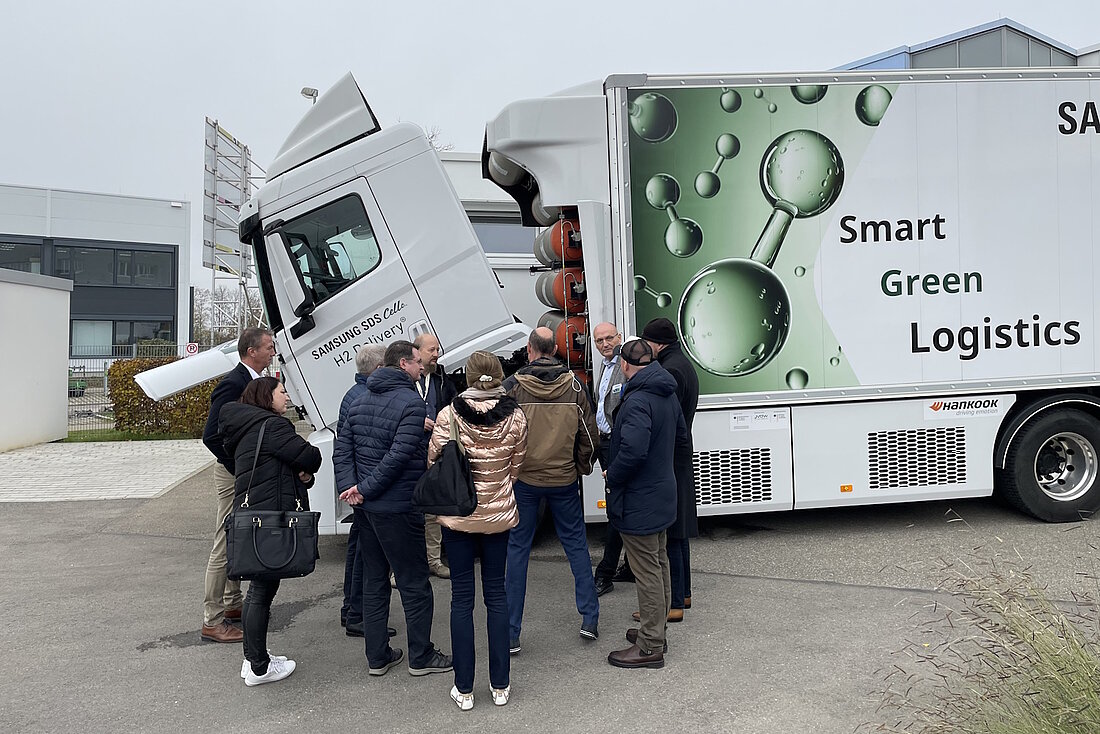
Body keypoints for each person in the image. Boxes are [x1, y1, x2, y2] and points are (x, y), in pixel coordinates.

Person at [334, 340, 453, 678]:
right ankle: (421, 655)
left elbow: (343, 450)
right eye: (418, 362)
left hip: (367, 510)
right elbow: (400, 456)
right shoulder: (412, 404)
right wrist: (364, 489)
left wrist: (352, 489)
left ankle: (378, 657)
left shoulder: (358, 400)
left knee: (374, 581)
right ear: (403, 364)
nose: (422, 367)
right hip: (398, 508)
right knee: (415, 582)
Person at [428, 351, 527, 710]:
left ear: (467, 377)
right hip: (498, 517)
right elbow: (517, 465)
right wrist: (497, 489)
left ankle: (464, 688)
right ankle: (500, 685)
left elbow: (435, 461)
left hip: (459, 517)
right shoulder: (515, 415)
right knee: (497, 597)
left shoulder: (448, 414)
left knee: (462, 600)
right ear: (500, 375)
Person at [219, 377, 323, 685]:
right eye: (281, 391)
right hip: (268, 521)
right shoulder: (273, 427)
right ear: (267, 396)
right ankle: (258, 666)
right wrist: (304, 468)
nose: (287, 396)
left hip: (253, 516)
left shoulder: (246, 427)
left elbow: (289, 468)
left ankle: (253, 657)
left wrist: (301, 474)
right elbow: (312, 457)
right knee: (262, 590)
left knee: (259, 589)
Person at [503, 327, 600, 653]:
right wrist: (580, 468)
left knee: (517, 552)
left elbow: (502, 435)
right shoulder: (574, 385)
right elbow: (590, 436)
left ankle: (512, 632)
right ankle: (589, 619)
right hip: (563, 480)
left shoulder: (513, 387)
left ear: (530, 350)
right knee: (576, 547)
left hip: (526, 482)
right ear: (556, 348)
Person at [603, 340, 687, 669]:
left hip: (640, 498)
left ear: (624, 365)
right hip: (663, 491)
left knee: (647, 570)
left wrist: (614, 475)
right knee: (659, 562)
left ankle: (650, 645)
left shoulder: (638, 400)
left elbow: (634, 451)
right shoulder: (666, 391)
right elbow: (680, 437)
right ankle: (656, 631)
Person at [199, 327, 275, 644]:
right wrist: (238, 465)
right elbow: (211, 436)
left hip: (244, 473)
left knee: (237, 536)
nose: (273, 351)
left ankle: (232, 606)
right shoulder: (233, 384)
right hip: (233, 473)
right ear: (251, 351)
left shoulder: (253, 382)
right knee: (223, 543)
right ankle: (212, 620)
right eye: (269, 347)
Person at [641, 317, 700, 623]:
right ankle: (684, 593)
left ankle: (673, 603)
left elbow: (666, 420)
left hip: (672, 459)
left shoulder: (671, 370)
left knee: (673, 533)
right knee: (682, 530)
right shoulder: (682, 362)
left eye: (646, 342)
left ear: (657, 343)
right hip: (681, 455)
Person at [337, 344, 389, 638]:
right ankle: (357, 613)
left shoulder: (351, 395)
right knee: (362, 555)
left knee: (358, 550)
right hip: (369, 489)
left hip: (359, 486)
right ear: (379, 368)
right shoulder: (365, 397)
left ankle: (352, 610)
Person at [414, 333, 458, 580]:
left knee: (433, 510)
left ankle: (433, 561)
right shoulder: (405, 380)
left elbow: (454, 409)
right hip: (410, 454)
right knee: (410, 513)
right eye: (431, 349)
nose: (436, 354)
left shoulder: (442, 379)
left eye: (437, 349)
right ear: (417, 351)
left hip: (436, 454)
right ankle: (409, 565)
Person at [590, 322, 628, 597]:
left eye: (609, 338)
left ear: (620, 338)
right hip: (604, 442)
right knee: (616, 505)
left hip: (618, 441)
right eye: (599, 340)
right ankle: (630, 566)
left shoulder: (625, 366)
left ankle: (606, 571)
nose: (604, 344)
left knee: (615, 506)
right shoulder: (603, 366)